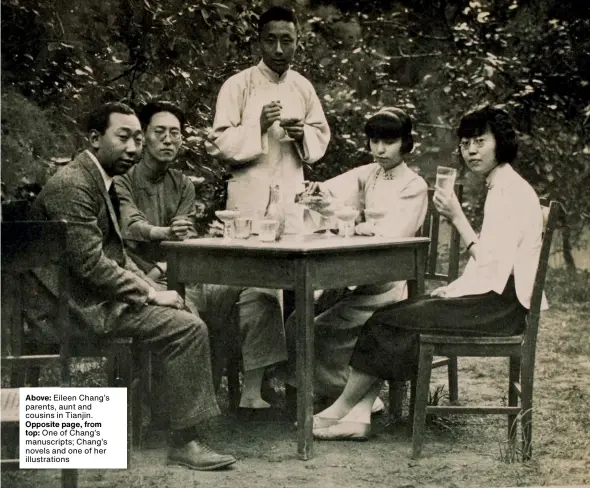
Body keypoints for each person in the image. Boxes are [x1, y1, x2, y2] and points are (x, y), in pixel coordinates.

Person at [311, 104, 548, 441]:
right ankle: (359, 415)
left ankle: (341, 410)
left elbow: (491, 264)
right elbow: (492, 262)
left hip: (499, 309)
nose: (471, 151)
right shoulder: (502, 185)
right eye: (466, 144)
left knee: (385, 320)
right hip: (493, 298)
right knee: (390, 314)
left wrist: (457, 218)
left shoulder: (510, 191)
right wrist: (455, 288)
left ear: (501, 142)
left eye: (480, 141)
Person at [25, 102, 236, 470]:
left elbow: (115, 257)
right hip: (65, 308)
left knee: (184, 308)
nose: (133, 148)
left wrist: (157, 292)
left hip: (84, 298)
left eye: (138, 139)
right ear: (93, 138)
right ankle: (184, 441)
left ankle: (166, 422)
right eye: (123, 137)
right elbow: (90, 264)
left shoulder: (96, 179)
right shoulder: (74, 185)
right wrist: (152, 293)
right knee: (187, 328)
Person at [114, 100, 287, 411]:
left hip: (186, 275)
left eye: (175, 134)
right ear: (143, 138)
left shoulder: (182, 184)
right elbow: (131, 226)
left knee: (261, 293)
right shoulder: (121, 181)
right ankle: (179, 406)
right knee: (187, 316)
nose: (168, 140)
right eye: (160, 132)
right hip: (146, 281)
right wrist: (165, 238)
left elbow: (184, 235)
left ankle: (251, 393)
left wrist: (195, 238)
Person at [280, 107, 428, 410]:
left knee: (320, 327)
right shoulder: (369, 174)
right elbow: (329, 191)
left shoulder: (414, 186)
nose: (381, 149)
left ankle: (354, 395)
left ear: (405, 143)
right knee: (297, 320)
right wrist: (320, 197)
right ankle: (330, 390)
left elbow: (391, 236)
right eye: (374, 141)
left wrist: (351, 219)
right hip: (355, 278)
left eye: (389, 141)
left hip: (389, 284)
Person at [205, 5, 331, 234]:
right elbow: (217, 143)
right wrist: (258, 126)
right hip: (248, 200)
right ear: (259, 42)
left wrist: (303, 134)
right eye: (270, 40)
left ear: (297, 42)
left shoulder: (303, 87)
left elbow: (321, 136)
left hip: (291, 199)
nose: (279, 50)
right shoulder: (238, 85)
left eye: (287, 41)